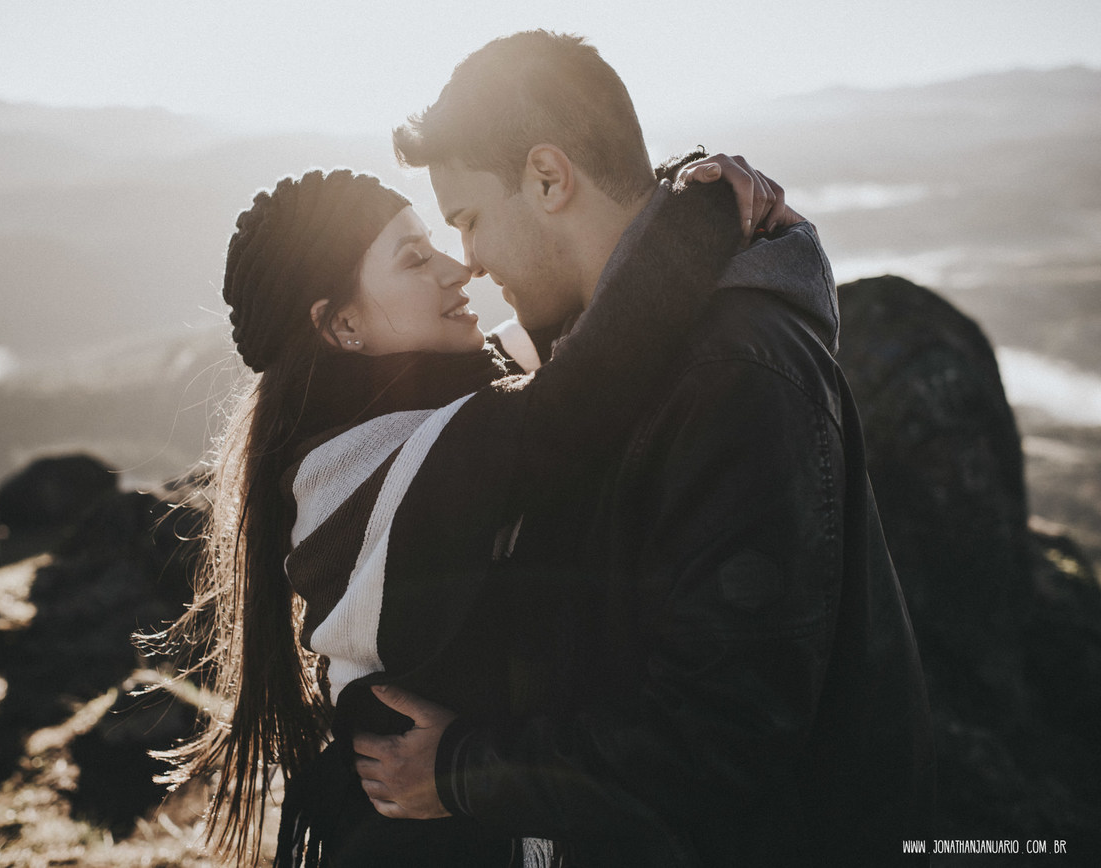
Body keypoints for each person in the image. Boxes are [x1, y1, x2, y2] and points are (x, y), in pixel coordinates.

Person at [350, 29, 936, 866]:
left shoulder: (732, 375)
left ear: (548, 178)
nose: (469, 261)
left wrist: (462, 769)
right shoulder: (613, 357)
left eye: (470, 221)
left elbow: (722, 739)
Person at [158, 154, 819, 867]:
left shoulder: (433, 405)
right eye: (415, 260)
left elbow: (589, 314)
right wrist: (707, 208)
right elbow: (590, 382)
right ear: (342, 324)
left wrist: (676, 177)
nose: (458, 268)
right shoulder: (354, 477)